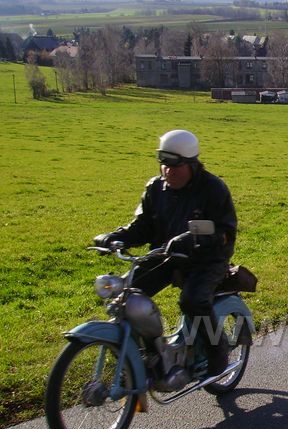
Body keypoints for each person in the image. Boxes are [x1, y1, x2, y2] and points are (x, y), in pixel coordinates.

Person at [93, 129, 237, 376]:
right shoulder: (155, 188)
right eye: (163, 162)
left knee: (193, 301)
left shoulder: (213, 189)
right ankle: (149, 355)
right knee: (127, 296)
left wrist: (192, 239)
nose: (168, 170)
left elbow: (224, 232)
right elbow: (142, 227)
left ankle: (217, 349)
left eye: (175, 164)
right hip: (164, 256)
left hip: (207, 260)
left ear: (192, 163)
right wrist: (115, 237)